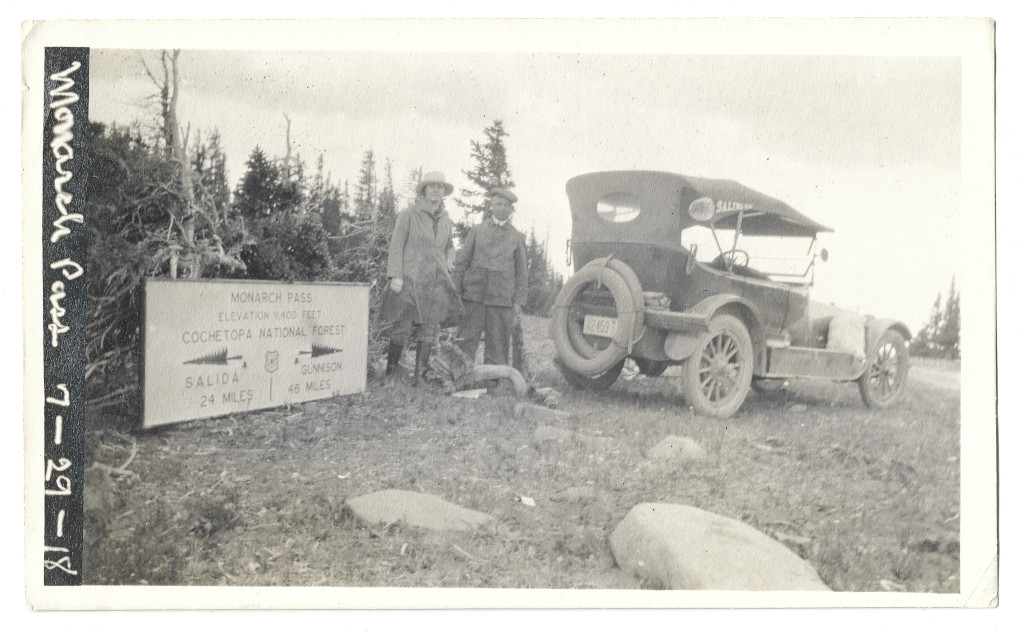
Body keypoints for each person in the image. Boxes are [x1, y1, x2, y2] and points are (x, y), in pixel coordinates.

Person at [382, 171, 462, 385]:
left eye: (440, 187)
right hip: (409, 279)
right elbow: (396, 245)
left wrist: (450, 258)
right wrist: (395, 275)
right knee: (402, 325)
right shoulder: (409, 214)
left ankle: (420, 375)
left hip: (434, 282)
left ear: (444, 192)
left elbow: (449, 246)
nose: (436, 190)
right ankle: (391, 373)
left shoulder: (446, 220)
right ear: (424, 190)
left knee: (428, 327)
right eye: (432, 186)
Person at [452, 187, 528, 367]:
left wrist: (519, 301)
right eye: (498, 204)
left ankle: (493, 381)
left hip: (501, 300)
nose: (502, 208)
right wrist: (456, 291)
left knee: (498, 344)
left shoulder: (516, 237)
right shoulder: (477, 231)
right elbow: (462, 262)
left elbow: (522, 272)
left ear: (511, 209)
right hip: (474, 297)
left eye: (506, 205)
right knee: (465, 340)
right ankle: (460, 375)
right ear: (491, 206)